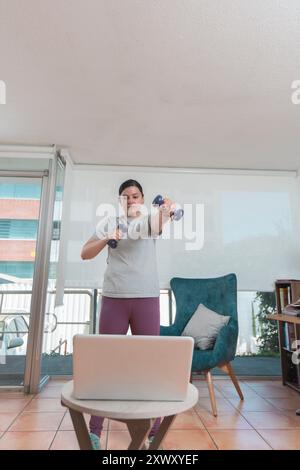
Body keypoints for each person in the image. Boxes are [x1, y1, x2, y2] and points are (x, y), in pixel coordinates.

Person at [81, 179, 174, 450]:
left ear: (143, 199)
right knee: (106, 363)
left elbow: (157, 224)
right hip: (114, 298)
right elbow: (85, 253)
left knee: (149, 364)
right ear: (119, 200)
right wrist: (106, 239)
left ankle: (153, 430)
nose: (131, 200)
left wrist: (165, 211)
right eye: (125, 197)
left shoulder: (147, 220)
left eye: (135, 196)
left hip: (146, 298)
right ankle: (95, 432)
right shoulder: (109, 222)